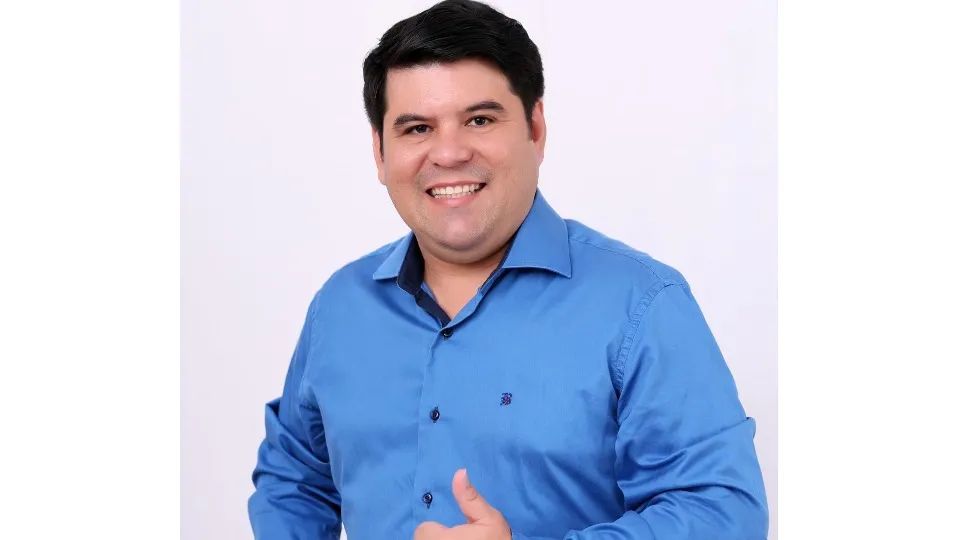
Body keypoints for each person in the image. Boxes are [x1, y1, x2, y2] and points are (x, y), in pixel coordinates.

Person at [248, 1, 769, 538]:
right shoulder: (340, 307)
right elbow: (294, 481)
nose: (449, 153)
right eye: (418, 128)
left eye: (479, 120)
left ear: (535, 129)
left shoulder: (641, 303)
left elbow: (721, 512)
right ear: (380, 152)